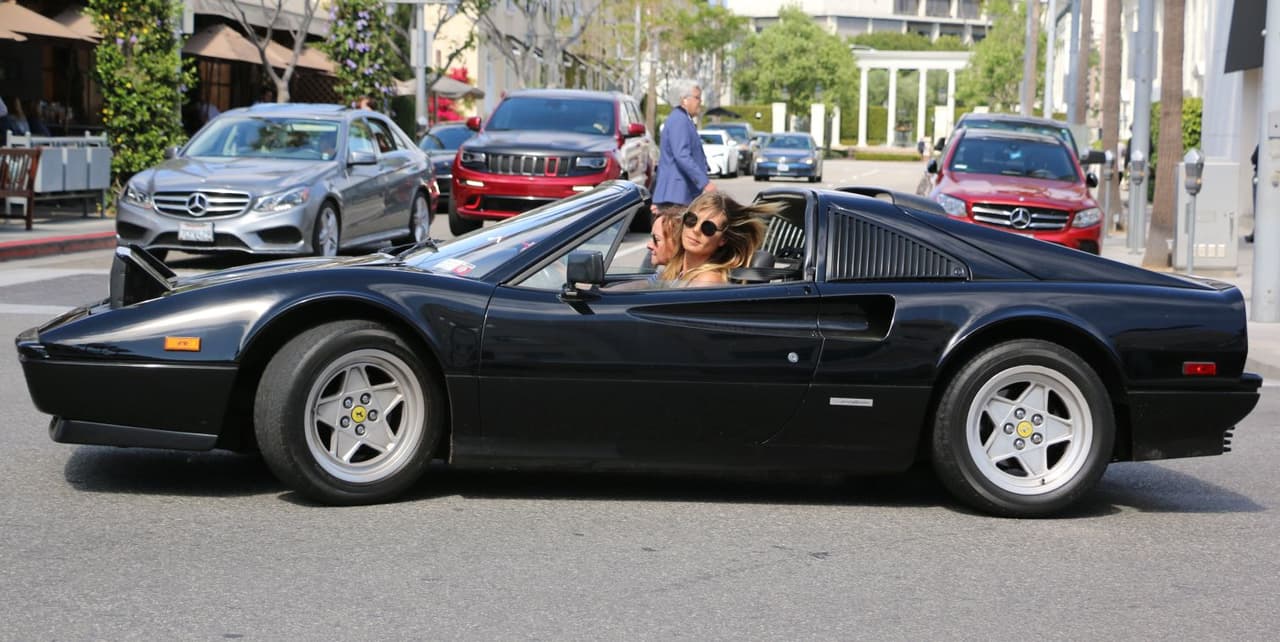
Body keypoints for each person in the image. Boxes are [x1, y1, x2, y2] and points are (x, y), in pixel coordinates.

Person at [659, 192, 775, 287]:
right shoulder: (675, 270)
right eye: (692, 220)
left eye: (708, 228)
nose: (696, 230)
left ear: (723, 239)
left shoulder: (707, 281)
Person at [651, 79, 714, 217]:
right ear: (684, 99)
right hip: (676, 194)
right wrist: (704, 183)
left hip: (678, 194)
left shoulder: (682, 119)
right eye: (697, 97)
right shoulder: (679, 120)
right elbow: (682, 155)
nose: (700, 102)